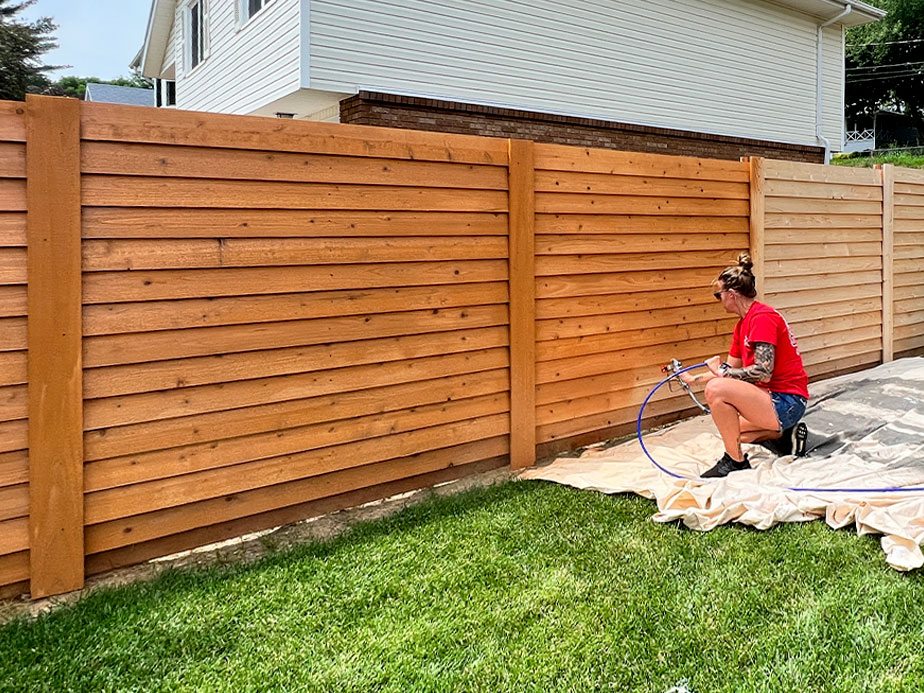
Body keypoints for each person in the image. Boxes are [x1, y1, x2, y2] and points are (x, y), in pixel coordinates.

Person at [679, 252, 809, 478]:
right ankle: (784, 436)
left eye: (717, 294)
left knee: (716, 391)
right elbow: (730, 369)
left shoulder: (762, 319)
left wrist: (722, 373)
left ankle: (735, 461)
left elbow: (763, 372)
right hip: (770, 399)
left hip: (786, 400)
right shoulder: (743, 325)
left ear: (732, 295)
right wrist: (692, 379)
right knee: (730, 430)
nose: (718, 299)